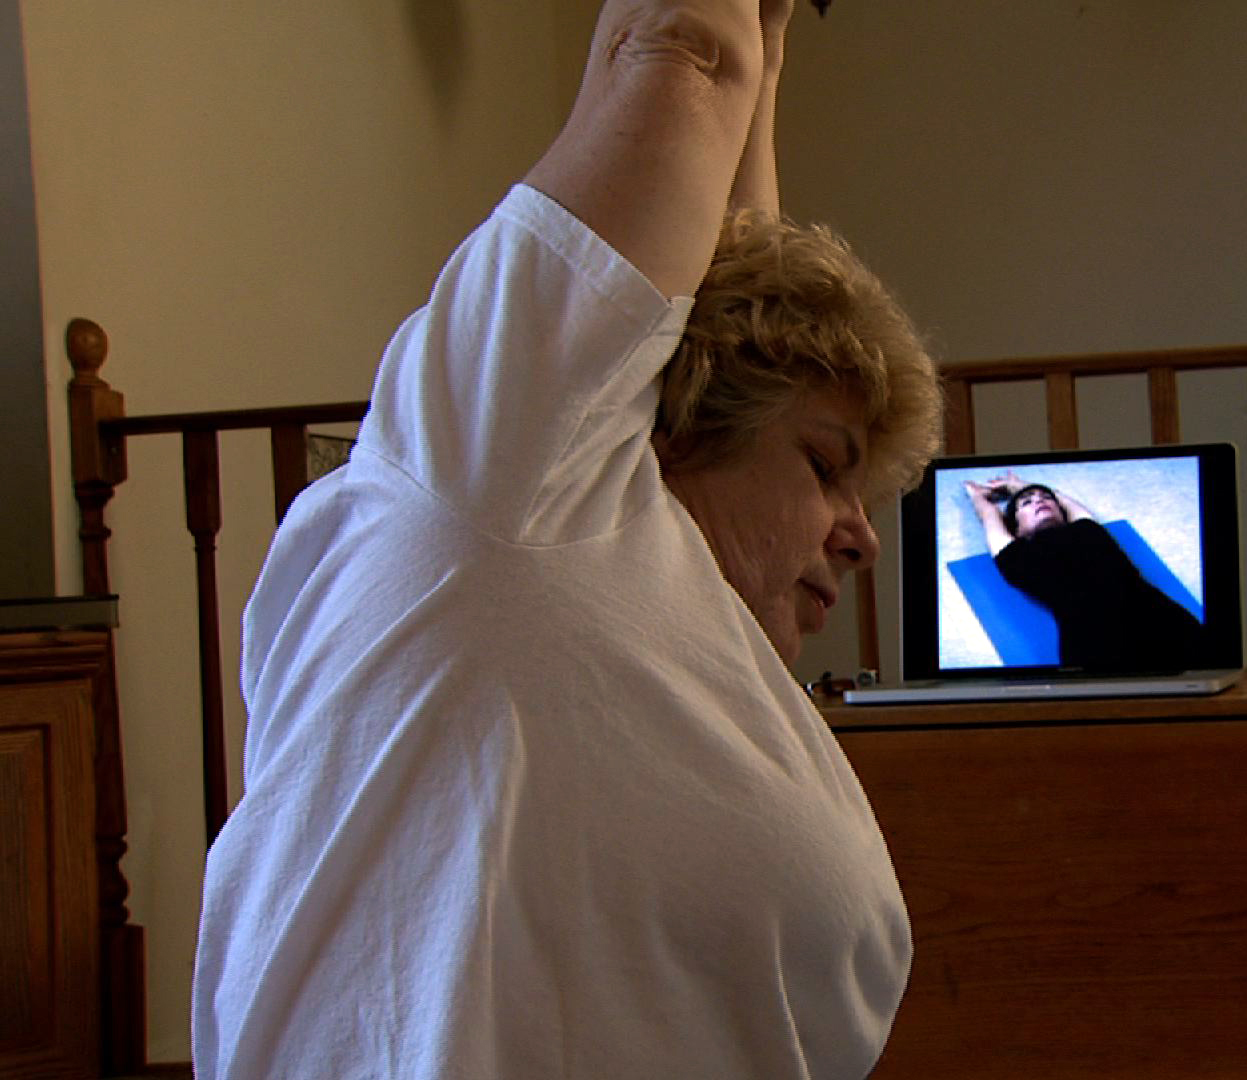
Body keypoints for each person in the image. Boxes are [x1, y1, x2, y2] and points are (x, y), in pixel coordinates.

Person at [191, 1, 942, 1076]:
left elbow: (741, 280)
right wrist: (733, 50)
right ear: (682, 423)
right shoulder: (514, 484)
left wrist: (772, 49)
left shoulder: (692, 640)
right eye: (826, 467)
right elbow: (680, 53)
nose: (862, 537)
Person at [963, 472, 1207, 673]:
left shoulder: (1088, 531)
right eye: (1027, 503)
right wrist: (978, 497)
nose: (1039, 501)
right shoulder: (1018, 557)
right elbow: (989, 516)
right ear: (1015, 529)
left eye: (1045, 499)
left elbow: (1067, 503)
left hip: (1167, 626)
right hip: (1097, 649)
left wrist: (1020, 486)